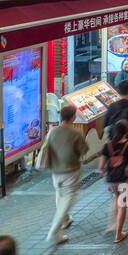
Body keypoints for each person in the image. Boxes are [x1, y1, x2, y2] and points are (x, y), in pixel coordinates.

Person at [42, 103, 88, 244]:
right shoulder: (76, 133)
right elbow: (83, 151)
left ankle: (66, 219)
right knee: (67, 199)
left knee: (60, 194)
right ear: (73, 117)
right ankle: (54, 232)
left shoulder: (52, 131)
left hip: (55, 170)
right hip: (71, 170)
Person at [100, 119, 128, 243]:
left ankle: (116, 225)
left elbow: (101, 166)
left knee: (116, 199)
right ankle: (118, 234)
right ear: (125, 131)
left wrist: (108, 173)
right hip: (123, 180)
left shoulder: (107, 145)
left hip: (111, 181)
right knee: (123, 205)